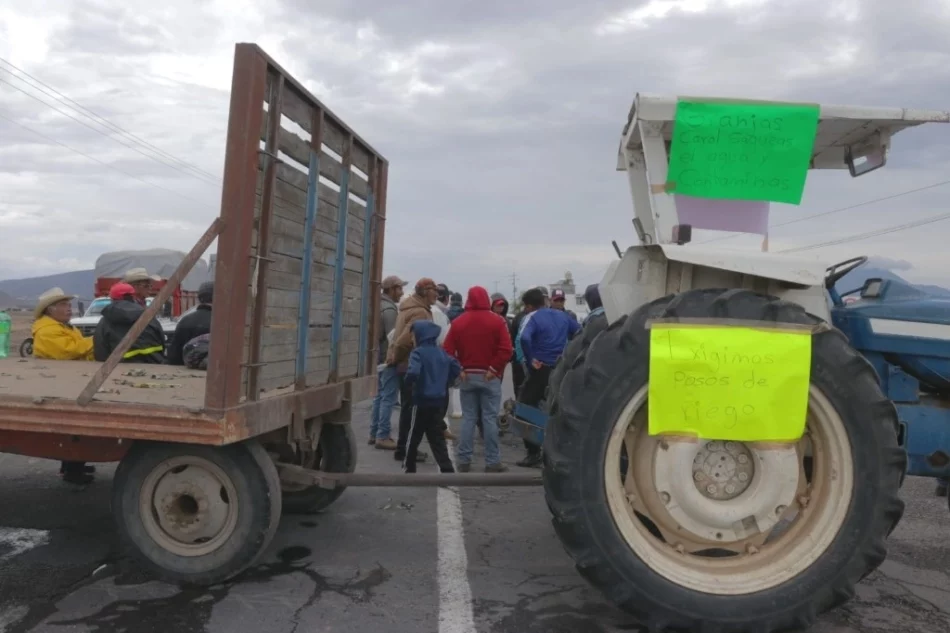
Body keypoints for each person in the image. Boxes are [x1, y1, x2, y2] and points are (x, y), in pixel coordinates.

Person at [443, 286, 513, 473]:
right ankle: (492, 461)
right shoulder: (497, 321)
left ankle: (464, 460)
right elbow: (506, 350)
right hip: (490, 376)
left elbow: (448, 350)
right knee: (489, 419)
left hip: (467, 376)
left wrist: (459, 369)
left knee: (469, 418)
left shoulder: (458, 322)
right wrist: (493, 369)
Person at [31, 287, 96, 484]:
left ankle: (74, 465)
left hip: (69, 382)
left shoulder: (65, 327)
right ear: (50, 310)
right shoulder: (48, 332)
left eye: (69, 304)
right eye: (64, 305)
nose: (70, 308)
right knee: (73, 429)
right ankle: (72, 471)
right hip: (60, 385)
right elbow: (69, 351)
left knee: (73, 429)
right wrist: (97, 340)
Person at [517, 288, 581, 467]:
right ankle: (562, 451)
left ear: (529, 306)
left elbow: (524, 339)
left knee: (525, 408)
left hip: (541, 369)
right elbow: (579, 332)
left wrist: (531, 360)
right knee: (559, 409)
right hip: (560, 368)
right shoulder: (562, 316)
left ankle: (533, 452)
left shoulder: (532, 317)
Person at [389, 278, 439, 462]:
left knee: (408, 409)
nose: (437, 294)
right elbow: (403, 340)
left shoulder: (410, 308)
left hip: (406, 366)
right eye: (434, 290)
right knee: (412, 411)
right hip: (413, 367)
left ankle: (404, 448)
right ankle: (406, 449)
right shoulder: (419, 312)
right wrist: (398, 356)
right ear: (424, 291)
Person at [403, 320, 460, 474]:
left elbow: (414, 372)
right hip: (439, 401)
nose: (412, 339)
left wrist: (408, 383)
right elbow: (456, 367)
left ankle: (409, 468)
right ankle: (447, 469)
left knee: (413, 436)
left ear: (420, 336)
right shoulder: (442, 352)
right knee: (437, 438)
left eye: (413, 336)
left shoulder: (418, 353)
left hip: (420, 400)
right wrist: (445, 380)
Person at [369, 275, 407, 449]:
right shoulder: (390, 309)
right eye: (399, 288)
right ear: (391, 289)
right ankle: (383, 435)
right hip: (388, 359)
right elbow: (393, 338)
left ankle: (374, 432)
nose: (402, 292)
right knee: (388, 398)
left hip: (378, 358)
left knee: (380, 396)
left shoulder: (379, 305)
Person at [93, 283, 165, 364]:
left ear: (112, 299)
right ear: (133, 297)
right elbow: (162, 339)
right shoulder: (147, 315)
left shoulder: (104, 322)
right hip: (154, 365)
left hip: (119, 369)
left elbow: (100, 352)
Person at [166, 281, 213, 366]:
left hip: (186, 372)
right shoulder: (224, 323)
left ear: (199, 298)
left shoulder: (185, 320)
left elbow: (174, 356)